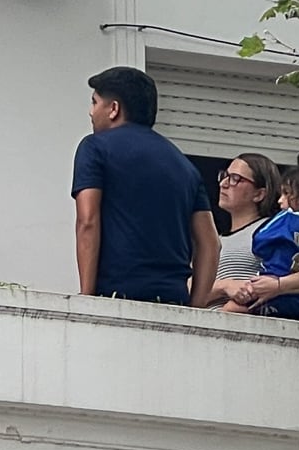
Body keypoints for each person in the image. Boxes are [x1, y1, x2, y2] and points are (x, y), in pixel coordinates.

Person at [71, 66, 220, 305]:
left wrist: (87, 299)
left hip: (118, 297)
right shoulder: (184, 165)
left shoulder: (94, 147)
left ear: (113, 109)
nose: (91, 112)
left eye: (94, 102)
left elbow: (88, 221)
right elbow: (210, 244)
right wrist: (196, 309)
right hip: (174, 301)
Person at [198, 153, 299, 310]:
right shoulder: (213, 239)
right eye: (224, 176)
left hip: (252, 323)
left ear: (259, 194)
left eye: (235, 179)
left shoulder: (280, 229)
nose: (224, 184)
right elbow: (188, 291)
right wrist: (224, 286)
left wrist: (278, 286)